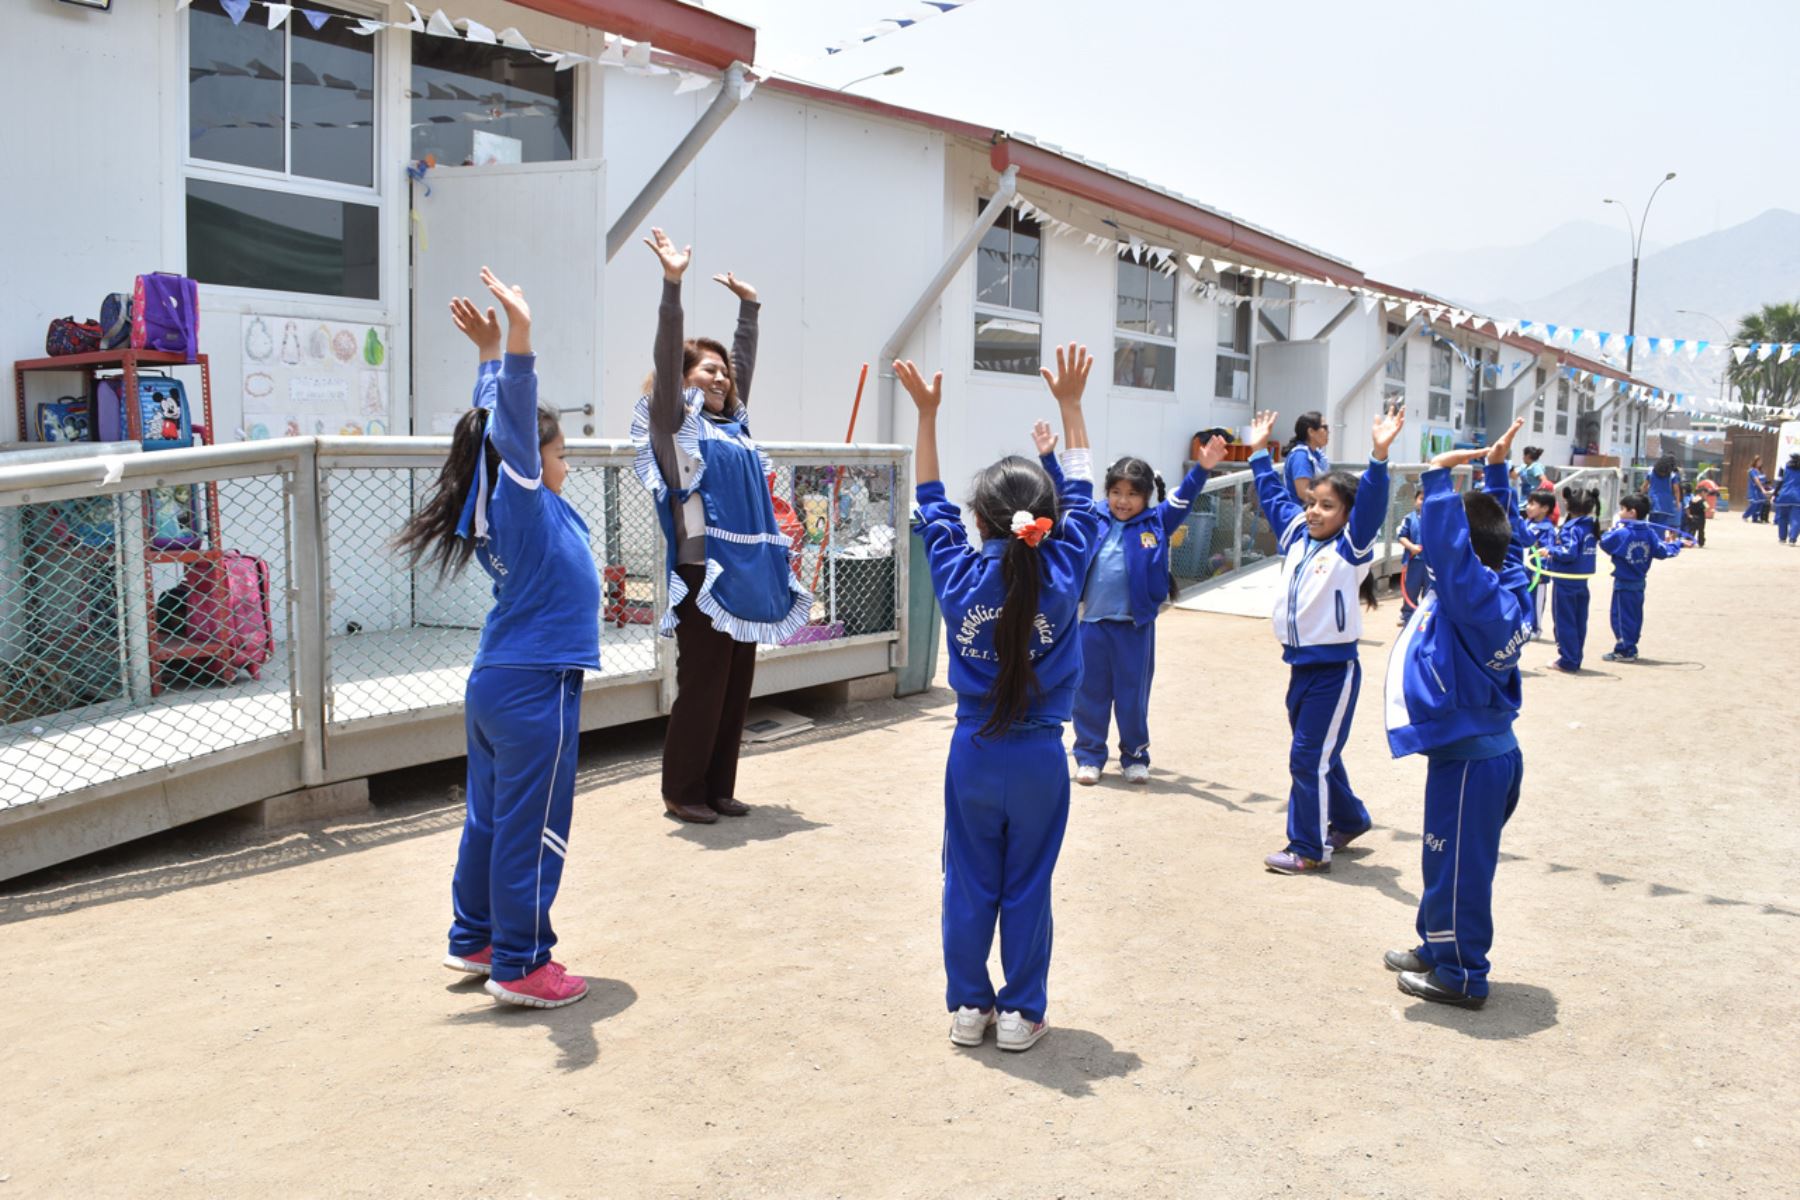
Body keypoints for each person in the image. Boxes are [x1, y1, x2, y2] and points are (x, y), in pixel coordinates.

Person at [395, 269, 599, 1010]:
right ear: (530, 458)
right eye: (559, 451)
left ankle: (475, 936)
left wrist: (486, 355)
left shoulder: (507, 500)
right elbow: (509, 425)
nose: (564, 461)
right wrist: (518, 341)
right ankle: (521, 961)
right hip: (534, 685)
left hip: (499, 682)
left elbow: (493, 425)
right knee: (533, 826)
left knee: (491, 818)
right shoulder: (521, 501)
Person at [901, 343, 1104, 1054]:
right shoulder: (1067, 563)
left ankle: (968, 1009)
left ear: (979, 522)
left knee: (969, 883)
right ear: (1043, 520)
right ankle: (1020, 1013)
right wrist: (1072, 408)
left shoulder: (957, 574)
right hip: (1042, 758)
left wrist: (926, 416)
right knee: (1027, 885)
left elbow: (928, 501)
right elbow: (1083, 496)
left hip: (974, 754)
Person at [633, 229, 811, 825]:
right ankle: (682, 790)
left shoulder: (734, 429)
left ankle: (717, 787)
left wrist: (750, 310)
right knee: (703, 684)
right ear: (681, 379)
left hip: (745, 574)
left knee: (735, 686)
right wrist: (672, 285)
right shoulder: (674, 426)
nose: (720, 379)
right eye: (707, 371)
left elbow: (743, 368)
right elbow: (667, 355)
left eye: (723, 374)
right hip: (701, 571)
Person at [1381, 444, 1530, 1010]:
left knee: (1460, 867)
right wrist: (1495, 474)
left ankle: (1462, 973)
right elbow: (1501, 540)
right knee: (1444, 858)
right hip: (1479, 754)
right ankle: (1436, 945)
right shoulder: (1506, 587)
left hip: (1473, 761)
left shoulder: (1473, 597)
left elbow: (1456, 547)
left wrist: (1439, 476)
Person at [1245, 403, 1405, 875]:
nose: (1315, 510)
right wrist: (1257, 453)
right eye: (1313, 501)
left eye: (1327, 505)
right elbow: (1275, 499)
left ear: (1347, 514)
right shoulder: (1297, 533)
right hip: (1300, 665)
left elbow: (1372, 503)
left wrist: (1378, 456)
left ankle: (1308, 848)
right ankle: (1350, 818)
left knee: (1307, 756)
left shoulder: (1351, 547)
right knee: (1318, 753)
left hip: (1335, 669)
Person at [1069, 437, 1229, 786]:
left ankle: (1135, 757)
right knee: (1089, 695)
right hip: (1091, 626)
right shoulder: (1093, 517)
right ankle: (1089, 756)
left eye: (1132, 494)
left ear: (1146, 497)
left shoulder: (1157, 522)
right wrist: (1050, 456)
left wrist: (1202, 468)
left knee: (1132, 697)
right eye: (1116, 492)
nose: (1122, 501)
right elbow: (1068, 489)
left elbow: (1185, 498)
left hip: (1134, 629)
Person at [1600, 495, 1682, 662]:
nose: (1620, 512)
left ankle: (1625, 650)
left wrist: (1612, 529)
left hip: (1624, 582)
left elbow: (1604, 543)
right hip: (1639, 582)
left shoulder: (1622, 532)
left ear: (1632, 513)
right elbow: (1662, 551)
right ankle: (1631, 646)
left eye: (1622, 509)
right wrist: (1678, 544)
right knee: (1634, 615)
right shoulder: (1649, 533)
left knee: (1621, 617)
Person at [1546, 484, 1601, 674]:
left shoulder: (1571, 529)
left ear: (1568, 505)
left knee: (1564, 621)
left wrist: (1549, 550)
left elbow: (1568, 553)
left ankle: (1568, 660)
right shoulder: (1591, 527)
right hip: (1581, 581)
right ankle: (1574, 657)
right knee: (1578, 621)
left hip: (1565, 582)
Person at [1521, 488, 1558, 639]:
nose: (1528, 507)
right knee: (1524, 597)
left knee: (1536, 600)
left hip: (1538, 572)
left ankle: (1536, 628)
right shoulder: (1526, 523)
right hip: (1525, 570)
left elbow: (1548, 549)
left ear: (1544, 508)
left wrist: (1541, 570)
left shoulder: (1547, 529)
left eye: (1532, 504)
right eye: (1528, 503)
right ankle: (1525, 625)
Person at [1282, 410, 1331, 503]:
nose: (1328, 432)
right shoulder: (1300, 456)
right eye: (1325, 427)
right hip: (1300, 513)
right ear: (1311, 431)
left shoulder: (1315, 454)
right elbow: (1304, 493)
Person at [1395, 486, 1426, 627]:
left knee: (1430, 592)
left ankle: (1427, 616)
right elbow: (1401, 536)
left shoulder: (1439, 520)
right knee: (1411, 590)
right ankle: (1408, 615)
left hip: (1432, 564)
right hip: (1414, 562)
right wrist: (1411, 547)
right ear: (1415, 501)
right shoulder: (1409, 518)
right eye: (1421, 499)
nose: (1424, 502)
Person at [1647, 454, 1683, 533]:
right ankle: (1660, 541)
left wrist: (1640, 495)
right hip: (1666, 503)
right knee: (1662, 525)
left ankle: (1652, 541)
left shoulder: (1651, 472)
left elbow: (1644, 486)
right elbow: (1676, 490)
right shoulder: (1672, 475)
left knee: (1652, 523)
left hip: (1652, 501)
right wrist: (1677, 502)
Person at [1774, 453, 1800, 546]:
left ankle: (1782, 538)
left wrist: (1775, 494)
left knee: (1783, 517)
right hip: (1798, 497)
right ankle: (1792, 539)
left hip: (1784, 495)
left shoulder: (1783, 467)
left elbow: (1779, 481)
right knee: (1796, 519)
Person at [1743, 456, 1771, 523]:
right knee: (1754, 504)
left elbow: (1764, 480)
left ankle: (1755, 518)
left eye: (1760, 461)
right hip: (1754, 490)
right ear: (1754, 462)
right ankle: (1745, 516)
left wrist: (1768, 486)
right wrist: (1762, 489)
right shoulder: (1752, 470)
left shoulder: (1761, 471)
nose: (1760, 463)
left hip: (1761, 491)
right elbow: (1756, 480)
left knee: (1760, 504)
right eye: (1758, 461)